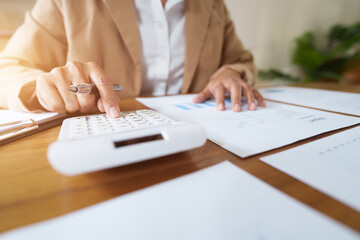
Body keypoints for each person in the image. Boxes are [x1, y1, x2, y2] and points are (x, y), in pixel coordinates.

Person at [0, 0, 265, 118]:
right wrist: (43, 86)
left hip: (199, 145)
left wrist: (231, 72)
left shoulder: (213, 4)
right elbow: (7, 69)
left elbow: (241, 60)